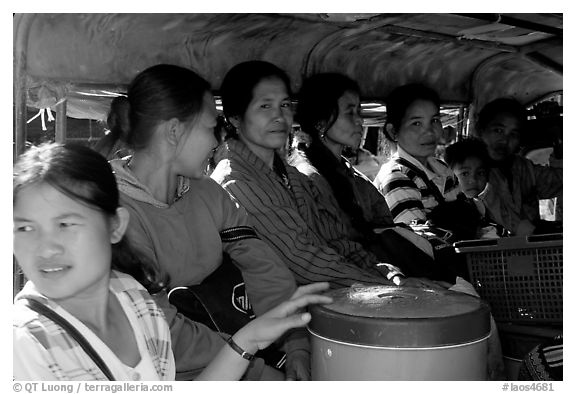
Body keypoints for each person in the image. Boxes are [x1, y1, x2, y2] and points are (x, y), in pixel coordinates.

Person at [13, 142, 332, 381]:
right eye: (24, 227)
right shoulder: (24, 346)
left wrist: (248, 339)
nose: (45, 248)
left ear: (116, 227)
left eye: (66, 224)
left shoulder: (133, 298)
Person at [96, 64, 309, 380]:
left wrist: (296, 346)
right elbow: (162, 331)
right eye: (210, 128)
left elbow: (263, 268)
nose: (216, 142)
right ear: (174, 132)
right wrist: (257, 370)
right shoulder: (114, 214)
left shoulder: (209, 193)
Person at [211, 60, 445, 290]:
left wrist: (390, 275)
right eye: (265, 106)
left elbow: (337, 243)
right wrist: (383, 285)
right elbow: (302, 261)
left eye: (284, 105)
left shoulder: (292, 177)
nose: (279, 117)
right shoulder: (237, 181)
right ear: (235, 117)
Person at [288, 72, 456, 282]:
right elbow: (338, 249)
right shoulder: (308, 178)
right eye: (350, 113)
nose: (360, 121)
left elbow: (383, 226)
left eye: (360, 111)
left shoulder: (351, 174)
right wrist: (392, 277)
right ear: (321, 121)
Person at [373, 84, 481, 241]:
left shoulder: (443, 169)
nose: (430, 131)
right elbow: (417, 242)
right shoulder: (397, 178)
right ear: (393, 131)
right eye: (416, 123)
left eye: (435, 120)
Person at [474, 98, 562, 236]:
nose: (505, 140)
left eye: (513, 134)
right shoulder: (470, 170)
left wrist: (557, 138)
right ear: (481, 130)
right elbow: (501, 215)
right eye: (498, 130)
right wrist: (536, 232)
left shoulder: (522, 167)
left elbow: (558, 183)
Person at [444, 137, 509, 238]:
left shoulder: (488, 206)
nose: (473, 180)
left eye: (480, 173)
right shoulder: (448, 211)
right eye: (465, 174)